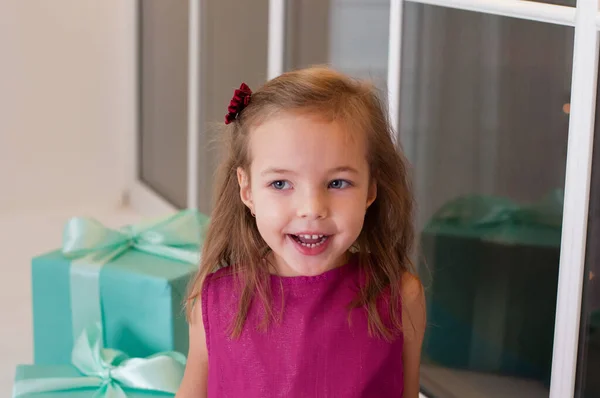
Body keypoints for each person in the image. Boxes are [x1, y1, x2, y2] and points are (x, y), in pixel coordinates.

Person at [176, 66, 426, 398]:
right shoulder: (214, 302)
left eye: (337, 182)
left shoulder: (401, 297)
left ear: (370, 189)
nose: (311, 208)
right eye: (281, 183)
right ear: (247, 189)